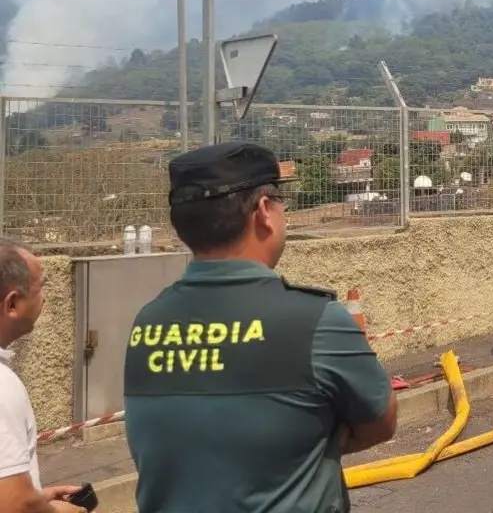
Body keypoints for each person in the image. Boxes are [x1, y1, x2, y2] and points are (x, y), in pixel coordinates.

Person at [123, 142, 399, 512]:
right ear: (265, 211)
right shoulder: (315, 320)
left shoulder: (147, 322)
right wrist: (314, 436)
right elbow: (381, 421)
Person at [0, 240, 87, 513]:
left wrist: (37, 496)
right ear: (12, 304)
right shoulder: (3, 386)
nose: (45, 299)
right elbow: (14, 504)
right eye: (40, 288)